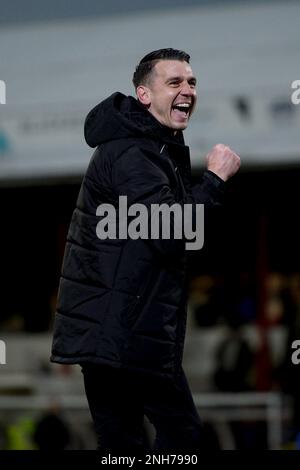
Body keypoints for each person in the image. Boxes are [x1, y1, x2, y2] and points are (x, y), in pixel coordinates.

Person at [50, 48, 240, 453]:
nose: (187, 90)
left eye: (191, 82)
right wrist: (216, 180)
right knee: (182, 439)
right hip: (125, 336)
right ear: (144, 95)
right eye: (174, 82)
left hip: (119, 333)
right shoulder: (134, 153)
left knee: (123, 447)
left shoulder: (148, 149)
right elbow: (173, 231)